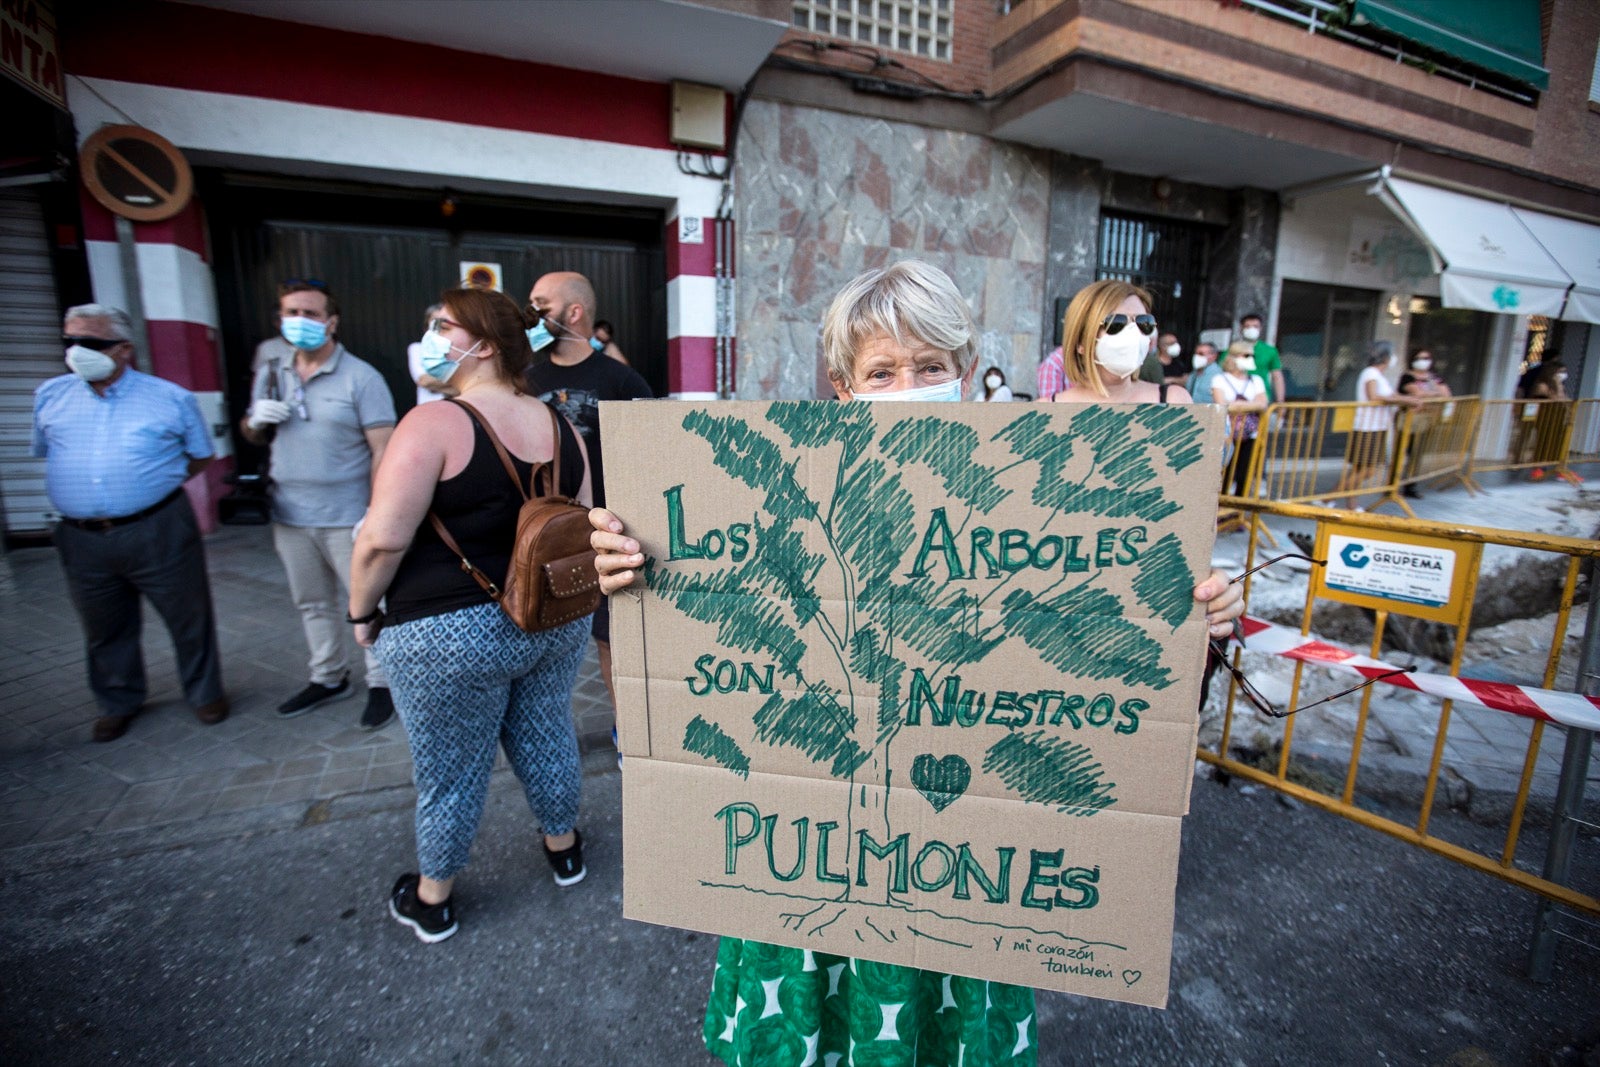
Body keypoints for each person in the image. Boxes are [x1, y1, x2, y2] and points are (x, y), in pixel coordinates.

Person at [589, 262, 1245, 1067]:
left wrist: (1197, 619)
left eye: (931, 366)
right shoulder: (771, 488)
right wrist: (636, 567)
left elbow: (1110, 656)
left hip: (963, 874)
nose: (910, 384)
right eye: (883, 371)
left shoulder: (1027, 493)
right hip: (805, 863)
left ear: (965, 372)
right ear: (842, 385)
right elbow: (707, 610)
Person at [348, 286, 594, 944]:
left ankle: (433, 897)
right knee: (546, 730)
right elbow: (582, 522)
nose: (429, 336)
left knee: (451, 768)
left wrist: (360, 610)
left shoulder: (431, 424)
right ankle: (564, 848)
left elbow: (381, 538)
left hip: (448, 630)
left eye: (441, 325)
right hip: (550, 618)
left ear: (481, 344)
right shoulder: (564, 427)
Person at [33, 305, 228, 743]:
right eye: (71, 342)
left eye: (92, 343)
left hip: (157, 525)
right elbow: (49, 452)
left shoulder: (169, 398)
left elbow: (199, 455)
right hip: (81, 535)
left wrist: (148, 486)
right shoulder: (50, 395)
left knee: (188, 616)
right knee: (103, 625)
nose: (78, 351)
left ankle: (204, 693)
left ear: (123, 349)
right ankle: (118, 701)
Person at [241, 280, 398, 729]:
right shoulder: (273, 370)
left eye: (311, 314)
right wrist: (255, 420)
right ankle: (328, 676)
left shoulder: (361, 377)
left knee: (367, 601)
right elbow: (253, 433)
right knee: (311, 601)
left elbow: (382, 448)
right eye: (292, 313)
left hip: (348, 514)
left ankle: (382, 681)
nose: (301, 322)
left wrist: (377, 509)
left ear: (331, 321)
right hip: (290, 513)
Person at [524, 271, 652, 764]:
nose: (530, 315)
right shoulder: (529, 378)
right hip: (545, 535)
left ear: (572, 312)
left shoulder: (618, 378)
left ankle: (629, 735)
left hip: (606, 530)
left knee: (610, 639)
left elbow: (652, 444)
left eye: (540, 305)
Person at [1046, 280, 1192, 406]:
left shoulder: (1174, 401)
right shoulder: (1046, 410)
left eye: (1143, 322)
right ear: (1080, 341)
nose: (1133, 332)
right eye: (1116, 323)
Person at [1331, 341, 1416, 504]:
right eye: (1392, 354)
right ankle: (1328, 497)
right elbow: (1374, 396)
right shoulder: (1370, 373)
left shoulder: (1378, 376)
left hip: (1377, 427)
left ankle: (1349, 504)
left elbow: (1388, 396)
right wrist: (1406, 399)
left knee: (1358, 470)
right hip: (1367, 427)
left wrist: (1405, 400)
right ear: (1385, 357)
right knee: (1369, 470)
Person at [1211, 341, 1268, 498]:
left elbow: (1263, 404)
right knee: (1225, 475)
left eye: (1252, 356)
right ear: (1234, 357)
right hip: (1227, 434)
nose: (1251, 359)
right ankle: (1221, 513)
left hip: (1250, 434)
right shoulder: (1219, 379)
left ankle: (1239, 515)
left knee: (1245, 475)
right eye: (1247, 355)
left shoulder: (1256, 380)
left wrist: (1237, 405)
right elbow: (1222, 405)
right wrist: (1250, 405)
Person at [1397, 350, 1452, 498]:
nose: (1423, 361)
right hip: (1408, 420)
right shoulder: (1407, 376)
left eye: (1426, 358)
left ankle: (1410, 486)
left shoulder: (1434, 377)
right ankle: (1392, 485)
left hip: (1426, 421)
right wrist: (1434, 394)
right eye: (1419, 358)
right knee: (1401, 453)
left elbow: (1447, 395)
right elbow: (1417, 393)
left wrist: (1429, 395)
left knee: (1417, 455)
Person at [405, 303, 455, 406]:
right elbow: (425, 381)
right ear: (426, 326)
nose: (440, 325)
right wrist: (458, 384)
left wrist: (437, 384)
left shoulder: (460, 350)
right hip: (429, 411)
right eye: (435, 321)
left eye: (445, 321)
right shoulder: (417, 348)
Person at [1237, 312, 1285, 404]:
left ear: (1260, 328)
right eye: (1247, 326)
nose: (1252, 329)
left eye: (1255, 326)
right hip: (1236, 397)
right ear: (1241, 328)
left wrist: (1280, 402)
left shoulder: (1270, 351)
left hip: (1261, 398)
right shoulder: (1232, 350)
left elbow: (1277, 376)